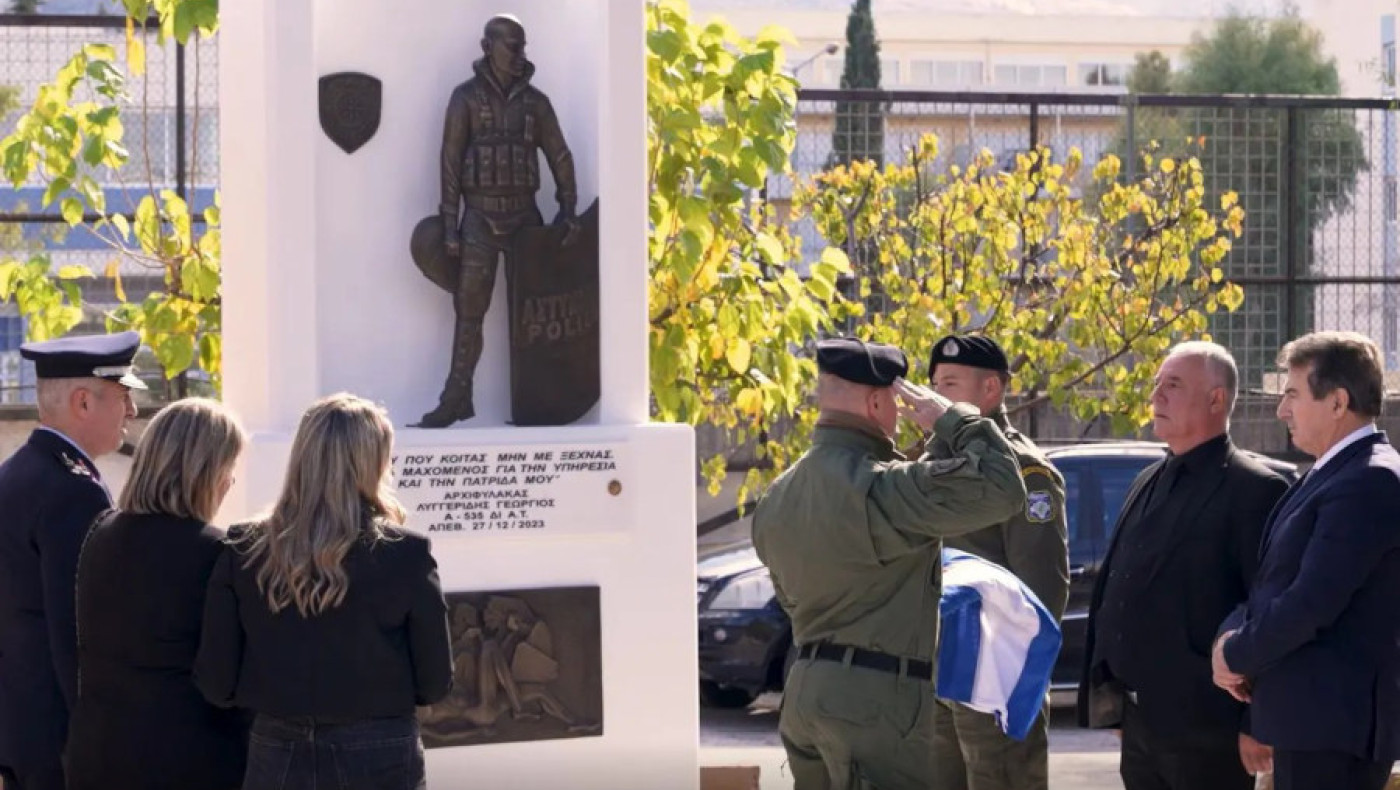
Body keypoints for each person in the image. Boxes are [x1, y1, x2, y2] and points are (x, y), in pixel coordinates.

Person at [752, 336, 1028, 790]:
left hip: (803, 691)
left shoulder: (777, 495)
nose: (900, 415)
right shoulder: (884, 488)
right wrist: (955, 420)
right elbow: (1003, 488)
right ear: (879, 400)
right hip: (875, 702)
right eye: (896, 404)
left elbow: (789, 595)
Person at [194, 393, 454, 790]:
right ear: (373, 463)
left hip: (277, 748)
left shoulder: (242, 548)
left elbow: (216, 681)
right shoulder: (407, 555)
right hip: (379, 750)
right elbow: (435, 682)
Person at [1078, 341, 1288, 790]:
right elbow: (1120, 584)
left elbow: (1268, 610)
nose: (1156, 397)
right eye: (1157, 385)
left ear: (1216, 399)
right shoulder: (1147, 479)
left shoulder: (1255, 490)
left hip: (1208, 730)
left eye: (1172, 385)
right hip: (1140, 723)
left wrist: (1257, 721)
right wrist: (1112, 694)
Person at [1213, 331, 1400, 790]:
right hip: (1310, 726)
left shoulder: (1369, 480)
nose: (1282, 411)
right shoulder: (1333, 473)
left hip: (1332, 732)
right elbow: (1272, 583)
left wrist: (1236, 654)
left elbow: (1311, 602)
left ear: (1338, 402)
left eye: (1292, 394)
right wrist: (1229, 639)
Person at [67, 398, 249, 790]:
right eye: (229, 467)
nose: (230, 481)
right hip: (187, 760)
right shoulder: (219, 553)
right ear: (206, 470)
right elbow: (230, 679)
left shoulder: (101, 533)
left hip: (97, 754)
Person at [418, 12, 578, 427]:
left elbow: (559, 154)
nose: (521, 54)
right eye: (513, 45)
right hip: (480, 220)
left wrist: (568, 207)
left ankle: (539, 399)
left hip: (526, 218)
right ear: (488, 48)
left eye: (523, 46)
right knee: (469, 310)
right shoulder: (464, 99)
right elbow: (450, 163)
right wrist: (450, 225)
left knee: (536, 313)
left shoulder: (536, 103)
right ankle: (456, 397)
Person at [924, 334, 1069, 790]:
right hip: (933, 667)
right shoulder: (929, 463)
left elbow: (1042, 589)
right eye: (933, 384)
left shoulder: (1024, 471)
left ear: (991, 390)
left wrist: (1011, 682)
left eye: (949, 383)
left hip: (992, 675)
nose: (934, 395)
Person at [0, 331, 143, 790]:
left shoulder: (17, 472)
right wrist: (98, 738)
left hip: (21, 728)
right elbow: (77, 631)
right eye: (124, 397)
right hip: (62, 740)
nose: (133, 412)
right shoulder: (73, 491)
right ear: (84, 402)